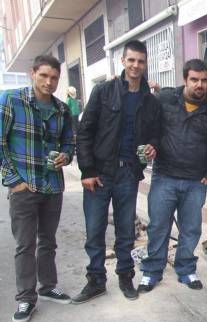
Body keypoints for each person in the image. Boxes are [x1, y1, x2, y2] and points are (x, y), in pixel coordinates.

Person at [73, 40, 161, 303]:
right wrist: (87, 169)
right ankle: (96, 280)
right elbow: (85, 131)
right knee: (95, 230)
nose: (136, 65)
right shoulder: (103, 91)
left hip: (128, 174)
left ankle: (125, 276)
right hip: (99, 173)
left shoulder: (150, 100)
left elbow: (155, 134)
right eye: (131, 60)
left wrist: (153, 147)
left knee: (126, 230)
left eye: (141, 61)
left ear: (145, 65)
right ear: (122, 61)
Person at [138, 59, 207, 292]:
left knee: (191, 228)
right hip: (164, 176)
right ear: (185, 80)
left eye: (204, 80)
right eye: (194, 80)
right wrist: (150, 146)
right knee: (158, 226)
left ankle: (186, 269)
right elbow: (150, 128)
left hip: (196, 181)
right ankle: (151, 271)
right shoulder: (165, 100)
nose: (200, 85)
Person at [0, 55, 75, 322]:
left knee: (48, 241)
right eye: (44, 75)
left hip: (52, 186)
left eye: (54, 77)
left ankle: (48, 286)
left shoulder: (62, 109)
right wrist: (13, 181)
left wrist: (66, 157)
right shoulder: (11, 100)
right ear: (33, 73)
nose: (49, 82)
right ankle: (25, 299)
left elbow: (69, 143)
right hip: (24, 186)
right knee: (25, 244)